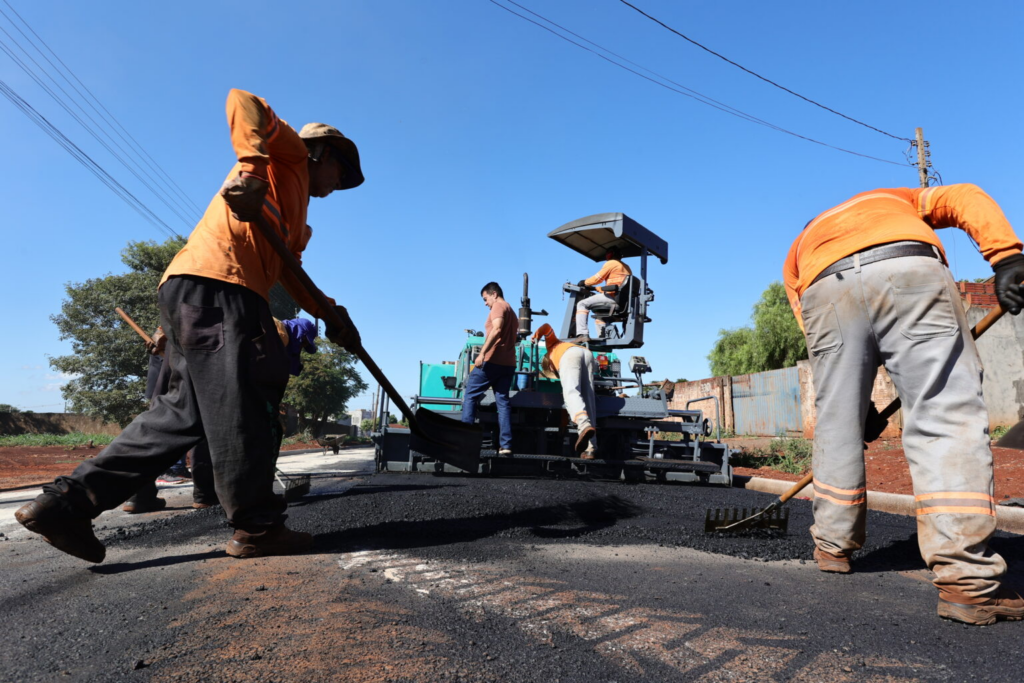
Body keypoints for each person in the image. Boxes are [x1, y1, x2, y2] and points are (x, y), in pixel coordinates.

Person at [16, 89, 363, 563]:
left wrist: (332, 315)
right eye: (341, 173)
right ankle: (258, 527)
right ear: (324, 153)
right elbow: (244, 101)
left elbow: (291, 273)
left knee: (181, 415)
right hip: (222, 287)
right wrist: (251, 171)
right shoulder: (290, 156)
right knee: (246, 405)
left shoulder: (298, 220)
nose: (338, 185)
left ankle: (63, 505)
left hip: (195, 289)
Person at [783, 183, 1024, 625]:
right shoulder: (897, 199)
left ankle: (832, 546)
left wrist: (855, 407)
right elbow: (965, 196)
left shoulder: (800, 246)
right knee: (943, 413)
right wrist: (1006, 257)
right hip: (907, 269)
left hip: (825, 289)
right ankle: (967, 582)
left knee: (836, 424)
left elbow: (805, 317)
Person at [461, 282, 517, 456]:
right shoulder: (512, 311)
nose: (485, 303)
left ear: (494, 294)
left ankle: (465, 441)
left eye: (485, 299)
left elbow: (497, 329)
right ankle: (505, 445)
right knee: (503, 403)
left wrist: (482, 353)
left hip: (492, 361)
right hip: (508, 364)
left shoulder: (499, 306)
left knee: (470, 395)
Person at [532, 323, 597, 458]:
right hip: (587, 354)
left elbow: (546, 327)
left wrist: (536, 336)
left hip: (570, 355)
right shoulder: (565, 345)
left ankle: (583, 423)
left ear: (549, 364)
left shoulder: (552, 346)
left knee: (571, 392)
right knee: (588, 399)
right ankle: (590, 448)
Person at [574, 246, 632, 341]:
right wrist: (595, 288)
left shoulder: (612, 263)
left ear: (612, 254)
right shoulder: (626, 267)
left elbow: (597, 278)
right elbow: (616, 286)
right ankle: (603, 339)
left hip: (612, 298)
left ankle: (582, 334)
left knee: (582, 304)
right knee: (599, 317)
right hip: (623, 301)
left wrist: (585, 282)